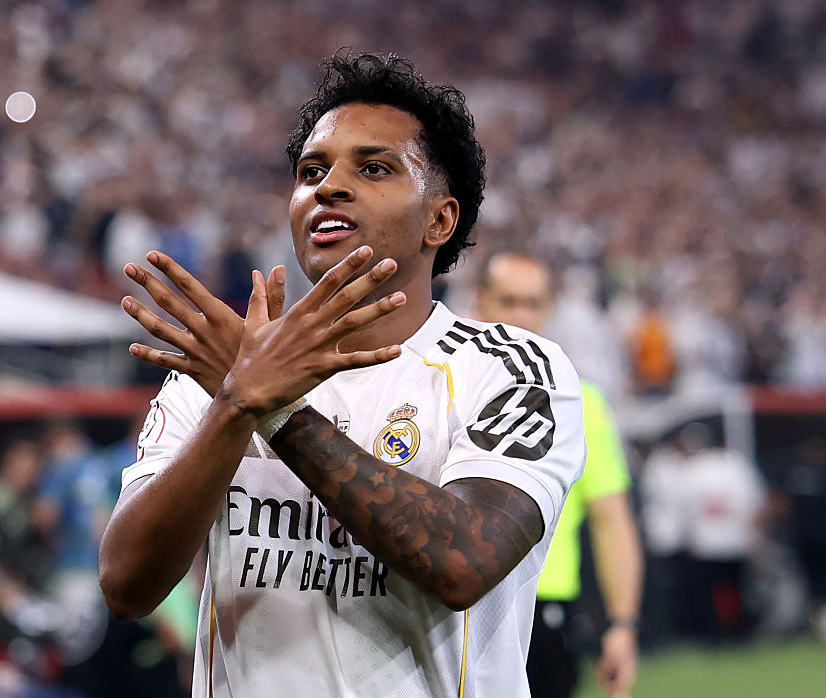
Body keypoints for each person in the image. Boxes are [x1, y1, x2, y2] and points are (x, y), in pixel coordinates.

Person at [99, 53, 586, 697]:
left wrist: (273, 409)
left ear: (439, 221)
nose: (328, 187)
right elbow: (127, 587)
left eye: (374, 168)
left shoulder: (507, 369)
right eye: (311, 171)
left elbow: (463, 562)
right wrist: (234, 406)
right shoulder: (218, 378)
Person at [473, 252, 643, 698]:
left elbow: (612, 522)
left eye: (532, 303)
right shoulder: (444, 385)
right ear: (479, 301)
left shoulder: (581, 403)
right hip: (454, 599)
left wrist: (622, 625)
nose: (520, 316)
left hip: (544, 606)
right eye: (508, 301)